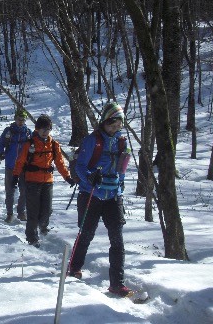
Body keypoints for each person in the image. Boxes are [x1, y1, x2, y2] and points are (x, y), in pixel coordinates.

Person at [68, 102, 132, 297]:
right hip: (91, 194)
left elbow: (122, 168)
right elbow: (80, 166)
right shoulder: (92, 141)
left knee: (117, 240)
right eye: (112, 124)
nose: (115, 128)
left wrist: (120, 184)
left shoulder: (122, 142)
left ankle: (117, 283)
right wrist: (90, 176)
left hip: (113, 196)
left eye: (118, 125)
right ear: (104, 122)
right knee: (86, 233)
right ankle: (74, 268)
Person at [12, 114, 74, 248]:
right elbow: (20, 161)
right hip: (32, 180)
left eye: (48, 129)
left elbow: (59, 163)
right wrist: (15, 176)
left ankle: (43, 226)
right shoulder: (30, 144)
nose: (46, 132)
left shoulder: (53, 144)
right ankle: (32, 237)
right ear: (37, 129)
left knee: (47, 210)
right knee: (33, 211)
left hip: (48, 181)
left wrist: (67, 177)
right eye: (43, 129)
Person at [0, 109, 32, 223]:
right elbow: (1, 142)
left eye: (23, 119)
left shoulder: (28, 132)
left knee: (24, 190)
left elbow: (33, 146)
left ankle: (21, 212)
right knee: (10, 190)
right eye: (18, 119)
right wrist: (1, 152)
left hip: (24, 166)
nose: (20, 122)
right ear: (15, 119)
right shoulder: (9, 131)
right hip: (10, 165)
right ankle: (9, 213)